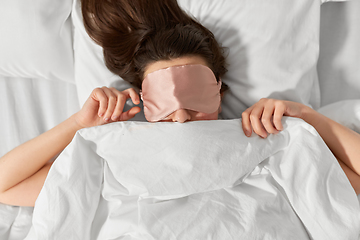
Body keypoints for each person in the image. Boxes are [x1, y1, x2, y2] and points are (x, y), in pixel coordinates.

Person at [0, 0, 360, 208]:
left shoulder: (264, 150)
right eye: (166, 104)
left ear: (219, 91)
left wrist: (306, 115)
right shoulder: (119, 163)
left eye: (195, 96)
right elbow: (4, 186)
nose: (183, 117)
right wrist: (78, 124)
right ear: (142, 101)